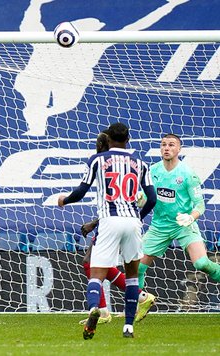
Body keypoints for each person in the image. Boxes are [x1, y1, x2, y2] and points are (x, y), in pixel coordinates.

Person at [16, 0, 188, 136]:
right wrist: (35, 4)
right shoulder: (48, 42)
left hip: (72, 81)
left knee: (60, 106)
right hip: (37, 76)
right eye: (95, 26)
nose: (99, 28)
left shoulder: (96, 43)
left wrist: (169, 6)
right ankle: (36, 131)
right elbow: (28, 26)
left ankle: (40, 120)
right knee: (34, 103)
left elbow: (136, 27)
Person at [58, 123, 156, 339]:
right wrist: (138, 217)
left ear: (108, 139)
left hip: (109, 221)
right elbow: (152, 198)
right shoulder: (141, 163)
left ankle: (96, 308)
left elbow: (81, 191)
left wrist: (64, 200)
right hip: (132, 222)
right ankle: (128, 327)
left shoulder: (97, 160)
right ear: (128, 139)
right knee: (132, 275)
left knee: (95, 274)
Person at [136, 133, 220, 320]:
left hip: (184, 225)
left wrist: (190, 218)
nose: (166, 148)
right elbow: (144, 198)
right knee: (138, 268)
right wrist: (140, 199)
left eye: (171, 145)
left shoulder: (188, 174)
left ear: (179, 149)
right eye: (164, 144)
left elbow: (200, 205)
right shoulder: (153, 171)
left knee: (202, 264)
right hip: (159, 225)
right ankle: (139, 305)